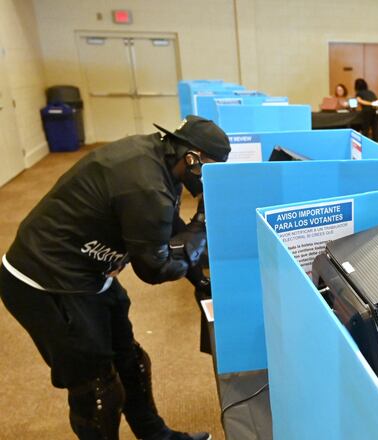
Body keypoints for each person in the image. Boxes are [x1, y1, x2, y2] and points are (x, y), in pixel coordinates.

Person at [0, 115, 231, 440]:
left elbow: (167, 228)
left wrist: (202, 281)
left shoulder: (162, 161)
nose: (213, 180)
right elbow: (154, 269)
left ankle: (156, 437)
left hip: (91, 269)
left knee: (131, 361)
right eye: (213, 169)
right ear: (192, 158)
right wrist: (201, 226)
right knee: (95, 386)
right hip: (45, 278)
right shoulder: (145, 184)